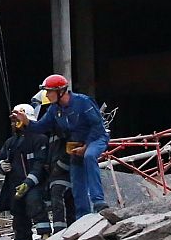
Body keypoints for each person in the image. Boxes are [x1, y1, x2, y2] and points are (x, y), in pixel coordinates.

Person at [27, 74, 110, 216]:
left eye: (49, 91)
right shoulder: (54, 110)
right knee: (77, 178)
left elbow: (97, 127)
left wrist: (86, 146)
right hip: (77, 145)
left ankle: (99, 201)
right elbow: (40, 127)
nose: (46, 95)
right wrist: (26, 122)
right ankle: (83, 216)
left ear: (60, 91)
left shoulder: (83, 102)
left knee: (89, 156)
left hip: (95, 138)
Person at [0, 103, 50, 240]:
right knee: (19, 217)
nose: (14, 124)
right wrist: (1, 165)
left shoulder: (39, 139)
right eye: (13, 121)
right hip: (15, 185)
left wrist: (28, 183)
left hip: (34, 185)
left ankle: (45, 236)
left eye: (16, 120)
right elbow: (0, 159)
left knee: (35, 204)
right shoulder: (11, 143)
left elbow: (40, 165)